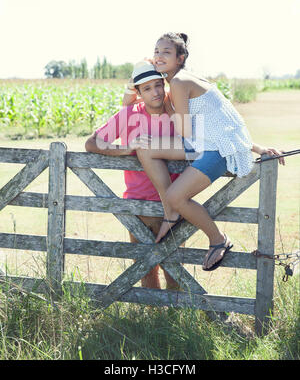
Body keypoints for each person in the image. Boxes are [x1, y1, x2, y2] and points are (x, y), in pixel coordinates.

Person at [123, 32, 285, 271]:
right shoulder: (175, 81)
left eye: (166, 52)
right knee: (144, 148)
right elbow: (217, 122)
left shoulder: (179, 82)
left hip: (216, 149)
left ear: (180, 58)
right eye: (156, 52)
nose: (159, 56)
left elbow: (188, 129)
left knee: (176, 196)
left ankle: (218, 239)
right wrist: (135, 77)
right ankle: (171, 211)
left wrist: (166, 107)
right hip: (206, 142)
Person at [85, 61, 181, 289]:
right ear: (137, 92)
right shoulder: (128, 114)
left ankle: (176, 318)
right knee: (145, 268)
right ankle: (152, 317)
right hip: (137, 205)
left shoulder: (176, 113)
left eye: (158, 85)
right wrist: (125, 149)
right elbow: (91, 143)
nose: (155, 92)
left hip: (173, 203)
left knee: (175, 270)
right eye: (146, 89)